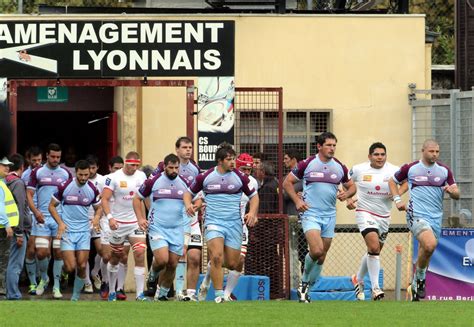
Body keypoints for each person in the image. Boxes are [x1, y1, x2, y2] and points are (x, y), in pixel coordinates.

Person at [283, 132, 356, 303]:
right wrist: (297, 200)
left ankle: (306, 286)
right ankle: (304, 284)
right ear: (319, 146)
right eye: (329, 145)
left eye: (334, 145)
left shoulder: (340, 166)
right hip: (310, 213)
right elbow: (287, 182)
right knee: (316, 250)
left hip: (329, 215)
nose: (332, 148)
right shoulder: (307, 164)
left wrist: (347, 195)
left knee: (321, 256)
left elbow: (352, 187)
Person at [185, 143, 259, 303]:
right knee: (217, 256)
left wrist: (252, 212)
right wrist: (188, 204)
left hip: (234, 224)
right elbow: (188, 193)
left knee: (233, 263)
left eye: (233, 159)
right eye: (229, 159)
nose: (233, 163)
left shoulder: (241, 178)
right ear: (220, 161)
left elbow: (254, 196)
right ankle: (219, 295)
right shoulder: (205, 177)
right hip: (213, 222)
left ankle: (210, 274)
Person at [389, 139, 459, 302]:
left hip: (436, 217)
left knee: (426, 251)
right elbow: (392, 181)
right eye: (431, 151)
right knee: (429, 244)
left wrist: (452, 191)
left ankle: (414, 285)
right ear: (423, 151)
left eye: (437, 152)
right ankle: (420, 279)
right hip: (416, 214)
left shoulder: (444, 171)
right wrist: (398, 200)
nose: (434, 154)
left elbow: (457, 193)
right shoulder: (411, 168)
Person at [347, 142, 405, 301]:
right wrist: (348, 198)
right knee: (373, 247)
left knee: (374, 251)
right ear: (369, 156)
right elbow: (344, 181)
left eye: (382, 154)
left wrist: (397, 193)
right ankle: (375, 288)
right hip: (365, 212)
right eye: (376, 154)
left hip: (384, 216)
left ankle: (357, 279)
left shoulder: (394, 170)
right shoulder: (359, 169)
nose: (380, 157)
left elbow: (406, 181)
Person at [148, 136, 202, 302]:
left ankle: (186, 293)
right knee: (165, 260)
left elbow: (198, 195)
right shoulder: (160, 170)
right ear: (177, 150)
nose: (188, 150)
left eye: (190, 147)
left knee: (190, 257)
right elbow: (145, 192)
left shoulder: (195, 169)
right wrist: (152, 211)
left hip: (188, 219)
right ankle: (160, 283)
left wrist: (195, 206)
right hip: (164, 221)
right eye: (184, 147)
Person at [133, 154, 192, 301]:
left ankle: (163, 294)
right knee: (162, 260)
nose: (174, 171)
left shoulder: (184, 183)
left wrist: (193, 207)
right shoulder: (154, 180)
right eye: (170, 167)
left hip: (176, 228)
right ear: (164, 167)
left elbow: (195, 200)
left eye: (176, 168)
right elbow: (137, 198)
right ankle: (152, 274)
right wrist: (140, 218)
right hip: (157, 227)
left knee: (172, 264)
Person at [49, 160, 101, 301]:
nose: (83, 178)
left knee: (83, 265)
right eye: (80, 175)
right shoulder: (64, 186)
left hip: (84, 232)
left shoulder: (92, 189)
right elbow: (52, 206)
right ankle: (65, 273)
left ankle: (75, 297)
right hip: (68, 232)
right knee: (71, 267)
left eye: (86, 175)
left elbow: (99, 208)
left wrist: (96, 218)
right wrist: (60, 223)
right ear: (75, 172)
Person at [27, 143, 72, 299]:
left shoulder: (66, 174)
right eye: (52, 156)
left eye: (58, 157)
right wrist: (36, 212)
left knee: (58, 252)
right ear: (47, 155)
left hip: (59, 219)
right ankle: (44, 278)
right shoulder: (37, 172)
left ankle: (56, 286)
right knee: (41, 252)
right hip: (43, 219)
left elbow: (69, 197)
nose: (55, 159)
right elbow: (29, 195)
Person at [102, 151, 148, 301]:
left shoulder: (142, 176)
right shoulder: (113, 178)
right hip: (118, 223)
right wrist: (110, 218)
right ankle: (112, 291)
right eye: (131, 165)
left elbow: (144, 198)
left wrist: (146, 217)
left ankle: (140, 294)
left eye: (136, 165)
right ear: (125, 163)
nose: (134, 168)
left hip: (135, 222)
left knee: (140, 253)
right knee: (116, 257)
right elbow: (105, 199)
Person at [98, 155, 124, 300]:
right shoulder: (103, 181)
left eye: (121, 168)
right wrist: (98, 218)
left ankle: (118, 288)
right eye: (116, 168)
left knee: (120, 256)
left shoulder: (126, 180)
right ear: (109, 168)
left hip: (123, 222)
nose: (118, 171)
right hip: (106, 222)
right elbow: (99, 200)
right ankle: (105, 282)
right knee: (107, 255)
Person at [5, 154, 30, 300]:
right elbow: (20, 208)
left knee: (9, 262)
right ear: (22, 167)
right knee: (15, 263)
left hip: (7, 226)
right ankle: (13, 294)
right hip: (17, 229)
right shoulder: (18, 183)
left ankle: (9, 292)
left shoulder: (4, 181)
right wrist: (20, 232)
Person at [21, 146, 42, 295]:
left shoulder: (46, 172)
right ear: (28, 159)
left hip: (46, 215)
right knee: (31, 248)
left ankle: (43, 279)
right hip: (30, 215)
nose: (37, 163)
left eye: (39, 160)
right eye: (34, 160)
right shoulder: (24, 175)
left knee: (44, 251)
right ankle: (33, 283)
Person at [82, 155, 105, 293]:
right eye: (88, 168)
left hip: (98, 220)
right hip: (83, 221)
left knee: (102, 251)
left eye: (93, 168)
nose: (90, 171)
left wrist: (100, 218)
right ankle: (87, 283)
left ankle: (94, 272)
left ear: (97, 167)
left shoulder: (102, 180)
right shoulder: (80, 180)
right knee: (83, 253)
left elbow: (105, 200)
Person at [0, 157, 19, 298]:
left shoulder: (2, 183)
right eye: (3, 166)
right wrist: (7, 224)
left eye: (8, 166)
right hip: (2, 228)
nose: (7, 168)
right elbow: (0, 207)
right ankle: (1, 290)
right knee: (3, 261)